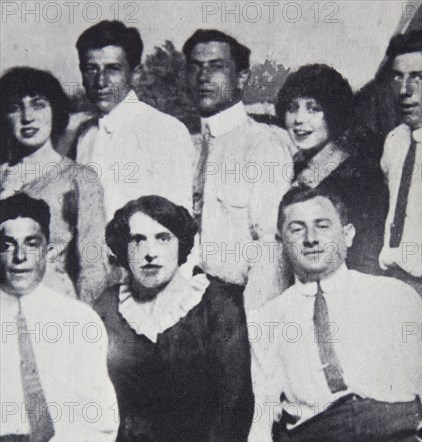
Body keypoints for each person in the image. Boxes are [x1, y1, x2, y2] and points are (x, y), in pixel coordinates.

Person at [234, 186, 422, 442]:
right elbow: (264, 402)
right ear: (282, 241)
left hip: (395, 435)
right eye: (296, 229)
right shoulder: (267, 318)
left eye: (322, 225)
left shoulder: (394, 295)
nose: (310, 239)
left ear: (348, 234)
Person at [92, 195, 253, 442]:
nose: (150, 252)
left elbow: (236, 397)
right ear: (123, 248)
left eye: (162, 238)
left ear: (181, 245)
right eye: (138, 240)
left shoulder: (216, 302)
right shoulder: (105, 308)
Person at [0, 194, 118, 442]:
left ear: (48, 251)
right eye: (7, 245)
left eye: (31, 244)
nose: (20, 258)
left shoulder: (77, 319)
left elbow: (100, 416)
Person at [183, 29, 293, 309]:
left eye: (217, 67)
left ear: (242, 77)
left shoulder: (263, 145)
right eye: (195, 67)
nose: (204, 77)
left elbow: (272, 246)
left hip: (235, 302)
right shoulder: (185, 147)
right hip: (181, 300)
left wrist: (254, 324)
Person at [0, 67, 108, 304]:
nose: (27, 117)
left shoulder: (80, 179)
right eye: (14, 108)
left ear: (55, 110)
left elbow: (93, 266)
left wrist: (83, 320)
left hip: (54, 308)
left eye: (38, 104)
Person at [276, 63, 389, 275]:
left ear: (334, 114)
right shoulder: (295, 168)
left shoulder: (361, 178)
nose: (299, 120)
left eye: (313, 108)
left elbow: (368, 259)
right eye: (292, 108)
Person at [75, 20, 194, 220]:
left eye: (113, 69)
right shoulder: (84, 137)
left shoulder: (164, 131)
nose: (101, 81)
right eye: (91, 69)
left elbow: (180, 226)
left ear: (135, 74)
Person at [379, 30, 422, 311]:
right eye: (398, 76)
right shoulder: (395, 141)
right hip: (395, 282)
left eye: (418, 77)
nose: (404, 89)